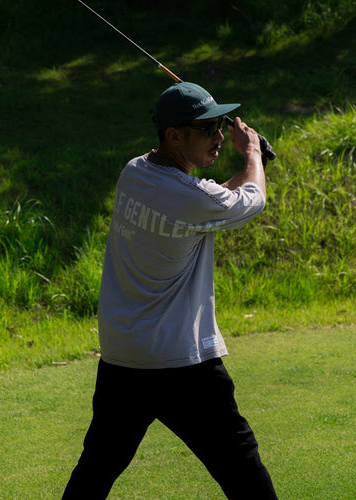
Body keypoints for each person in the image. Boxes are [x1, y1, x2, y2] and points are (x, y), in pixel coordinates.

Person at [62, 82, 278, 499]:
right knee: (242, 464)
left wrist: (248, 163)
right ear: (174, 135)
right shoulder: (188, 198)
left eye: (220, 125)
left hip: (123, 359)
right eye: (207, 128)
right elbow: (252, 198)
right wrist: (252, 152)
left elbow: (207, 203)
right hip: (182, 364)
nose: (218, 136)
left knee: (96, 469)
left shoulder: (134, 172)